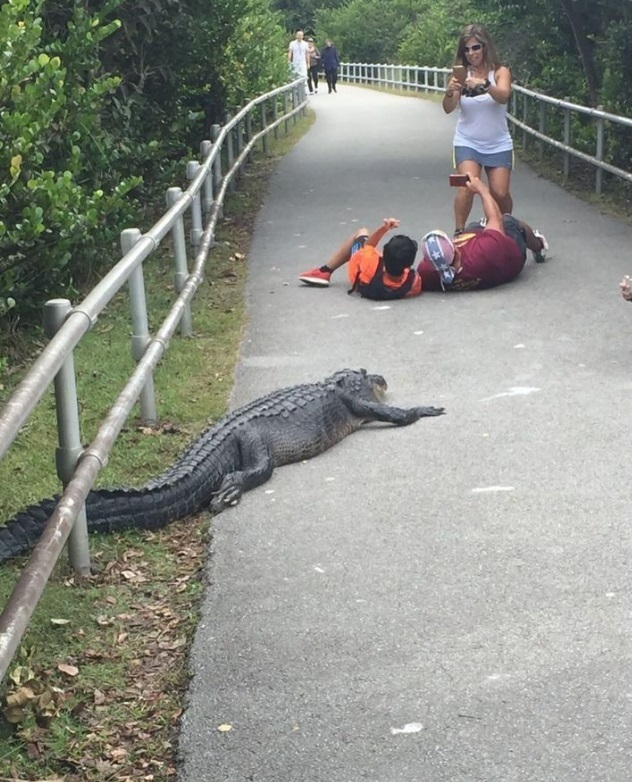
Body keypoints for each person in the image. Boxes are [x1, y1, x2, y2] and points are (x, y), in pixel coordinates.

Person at [417, 176, 548, 291]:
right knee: (510, 221)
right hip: (510, 255)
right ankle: (538, 246)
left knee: (474, 226)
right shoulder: (484, 251)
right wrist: (482, 190)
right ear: (455, 250)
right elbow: (497, 218)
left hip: (483, 252)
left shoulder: (427, 273)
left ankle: (484, 227)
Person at [443, 23, 513, 235]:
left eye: (476, 47)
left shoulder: (500, 72)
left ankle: (507, 229)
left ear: (485, 47)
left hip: (497, 142)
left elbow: (503, 96)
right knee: (467, 186)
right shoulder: (460, 75)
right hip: (468, 141)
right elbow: (448, 108)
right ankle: (459, 233)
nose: (472, 53)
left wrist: (484, 84)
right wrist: (450, 92)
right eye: (467, 49)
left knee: (499, 193)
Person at [299, 219, 423, 299]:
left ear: (384, 256)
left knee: (362, 232)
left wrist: (384, 229)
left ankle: (325, 271)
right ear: (408, 266)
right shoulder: (413, 283)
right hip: (372, 282)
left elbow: (368, 245)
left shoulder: (370, 261)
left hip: (359, 273)